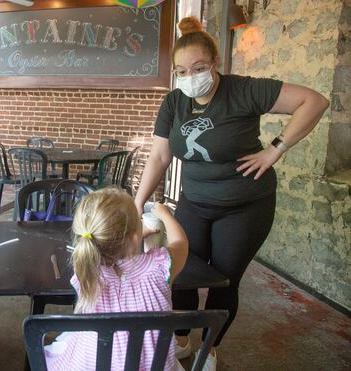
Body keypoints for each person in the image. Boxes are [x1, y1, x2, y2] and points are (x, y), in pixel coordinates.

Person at [134, 17, 329, 370]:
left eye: (199, 68)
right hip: (195, 200)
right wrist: (136, 203)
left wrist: (274, 150)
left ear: (216, 63)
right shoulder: (174, 102)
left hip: (245, 205)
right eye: (182, 70)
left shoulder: (244, 90)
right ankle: (182, 339)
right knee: (177, 270)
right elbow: (160, 156)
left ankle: (208, 347)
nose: (191, 76)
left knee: (224, 280)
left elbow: (314, 101)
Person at [45, 188, 189, 371]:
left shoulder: (85, 272)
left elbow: (108, 251)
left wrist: (130, 239)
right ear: (133, 239)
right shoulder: (159, 268)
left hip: (93, 365)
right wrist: (166, 215)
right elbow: (180, 244)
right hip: (154, 366)